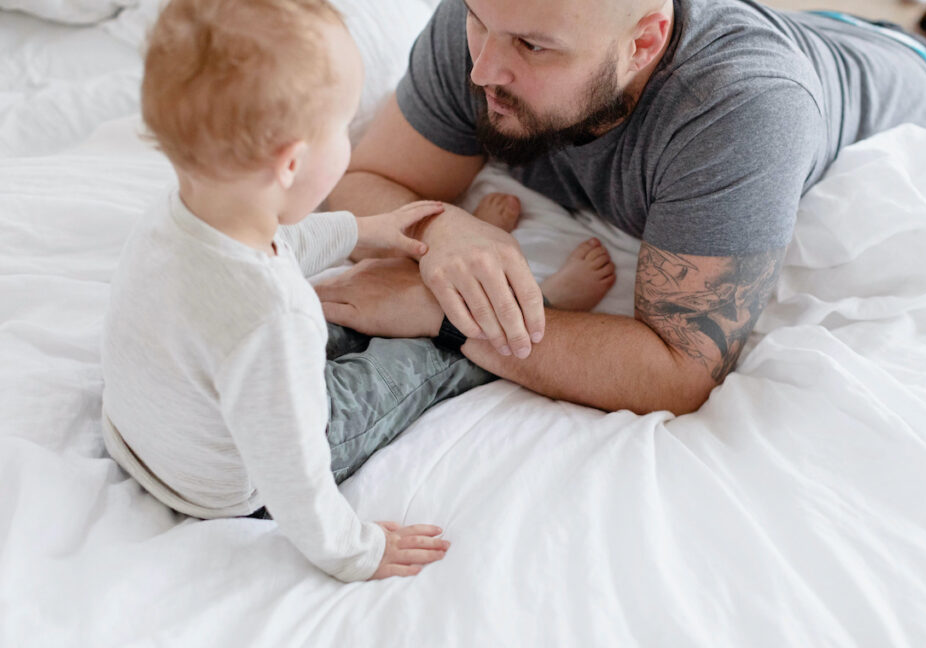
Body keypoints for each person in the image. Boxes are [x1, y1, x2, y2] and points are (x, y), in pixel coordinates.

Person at [100, 0, 615, 582]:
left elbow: (283, 242)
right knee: (416, 362)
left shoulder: (176, 218)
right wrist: (357, 552)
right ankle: (534, 305)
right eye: (343, 130)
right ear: (293, 164)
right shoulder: (273, 317)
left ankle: (468, 271)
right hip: (237, 482)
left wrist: (364, 230)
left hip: (153, 435)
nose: (350, 142)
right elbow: (294, 471)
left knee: (345, 306)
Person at [319, 0, 926, 416]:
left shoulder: (742, 109)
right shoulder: (497, 17)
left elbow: (678, 369)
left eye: (533, 48)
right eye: (478, 23)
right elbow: (371, 176)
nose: (482, 71)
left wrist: (445, 317)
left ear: (645, 42)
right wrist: (444, 227)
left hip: (917, 91)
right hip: (821, 37)